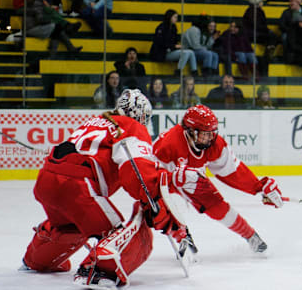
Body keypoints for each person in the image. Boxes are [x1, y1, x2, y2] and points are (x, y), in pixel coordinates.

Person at [20, 89, 187, 288]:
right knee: (121, 236)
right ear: (140, 114)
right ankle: (99, 272)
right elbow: (136, 170)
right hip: (77, 186)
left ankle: (37, 260)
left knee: (68, 227)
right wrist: (153, 201)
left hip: (46, 181)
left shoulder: (96, 121)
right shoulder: (132, 126)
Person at [153, 105, 283, 253]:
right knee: (157, 208)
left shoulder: (214, 144)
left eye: (212, 133)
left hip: (192, 178)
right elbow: (150, 179)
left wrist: (259, 187)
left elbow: (233, 171)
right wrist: (172, 178)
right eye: (204, 134)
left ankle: (250, 235)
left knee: (215, 203)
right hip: (165, 178)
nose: (210, 138)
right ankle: (180, 235)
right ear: (190, 131)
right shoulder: (168, 145)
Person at [149, 9, 197, 76]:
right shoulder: (161, 27)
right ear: (169, 17)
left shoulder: (174, 27)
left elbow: (175, 40)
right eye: (175, 17)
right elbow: (160, 43)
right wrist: (174, 46)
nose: (176, 19)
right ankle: (179, 70)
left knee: (191, 52)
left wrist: (178, 45)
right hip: (162, 53)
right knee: (186, 53)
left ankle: (194, 71)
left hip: (171, 50)